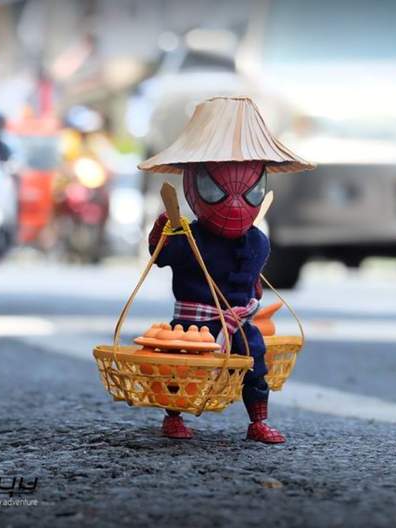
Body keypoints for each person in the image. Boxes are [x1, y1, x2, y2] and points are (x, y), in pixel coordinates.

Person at [140, 97, 314, 444]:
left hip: (239, 321)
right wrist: (163, 230)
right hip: (193, 326)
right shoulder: (188, 237)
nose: (236, 203)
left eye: (252, 191)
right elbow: (159, 256)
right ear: (192, 184)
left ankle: (257, 421)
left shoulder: (258, 242)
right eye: (213, 188)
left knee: (256, 365)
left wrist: (255, 297)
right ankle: (172, 415)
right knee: (181, 367)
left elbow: (254, 282)